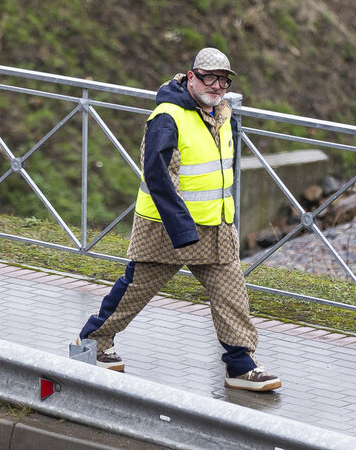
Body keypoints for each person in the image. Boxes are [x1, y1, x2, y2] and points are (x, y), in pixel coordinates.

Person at [78, 47, 281, 392]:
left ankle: (240, 363)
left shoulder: (224, 114)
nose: (216, 85)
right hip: (168, 229)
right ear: (190, 78)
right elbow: (158, 175)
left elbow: (221, 170)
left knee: (232, 293)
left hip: (216, 227)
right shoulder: (167, 116)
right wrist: (182, 228)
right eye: (208, 77)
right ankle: (92, 343)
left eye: (223, 79)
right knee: (135, 290)